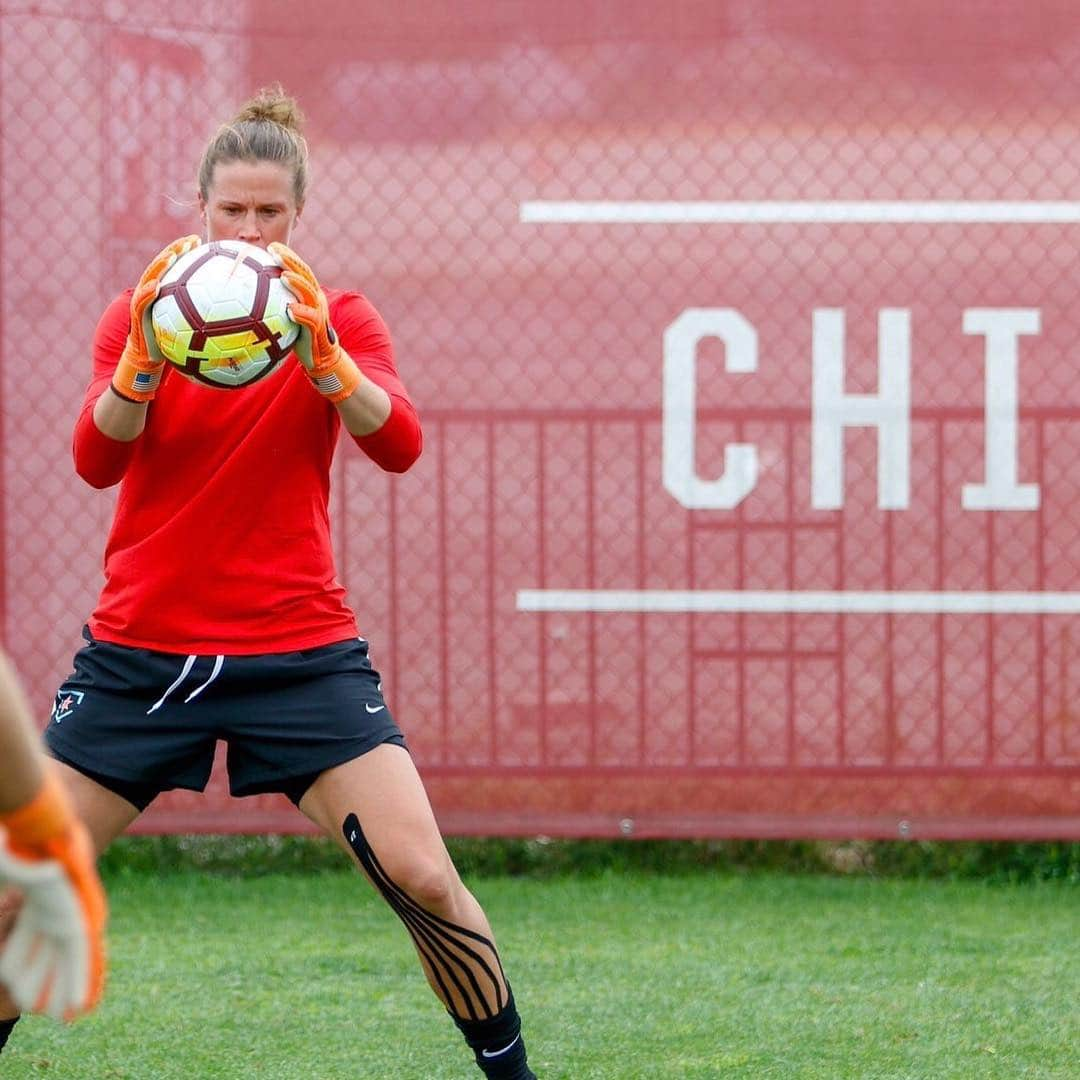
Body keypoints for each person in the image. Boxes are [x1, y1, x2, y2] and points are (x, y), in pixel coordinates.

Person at [0, 85, 535, 1078]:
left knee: (421, 873)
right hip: (141, 656)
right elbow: (94, 460)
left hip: (299, 656)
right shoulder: (139, 314)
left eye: (269, 214)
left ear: (298, 219)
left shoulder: (341, 319)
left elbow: (401, 443)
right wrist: (142, 370)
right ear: (198, 212)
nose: (248, 230)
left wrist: (330, 363)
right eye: (231, 211)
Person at [0, 649, 106, 1035]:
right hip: (141, 660)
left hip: (295, 648)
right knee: (10, 922)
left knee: (17, 914)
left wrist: (43, 839)